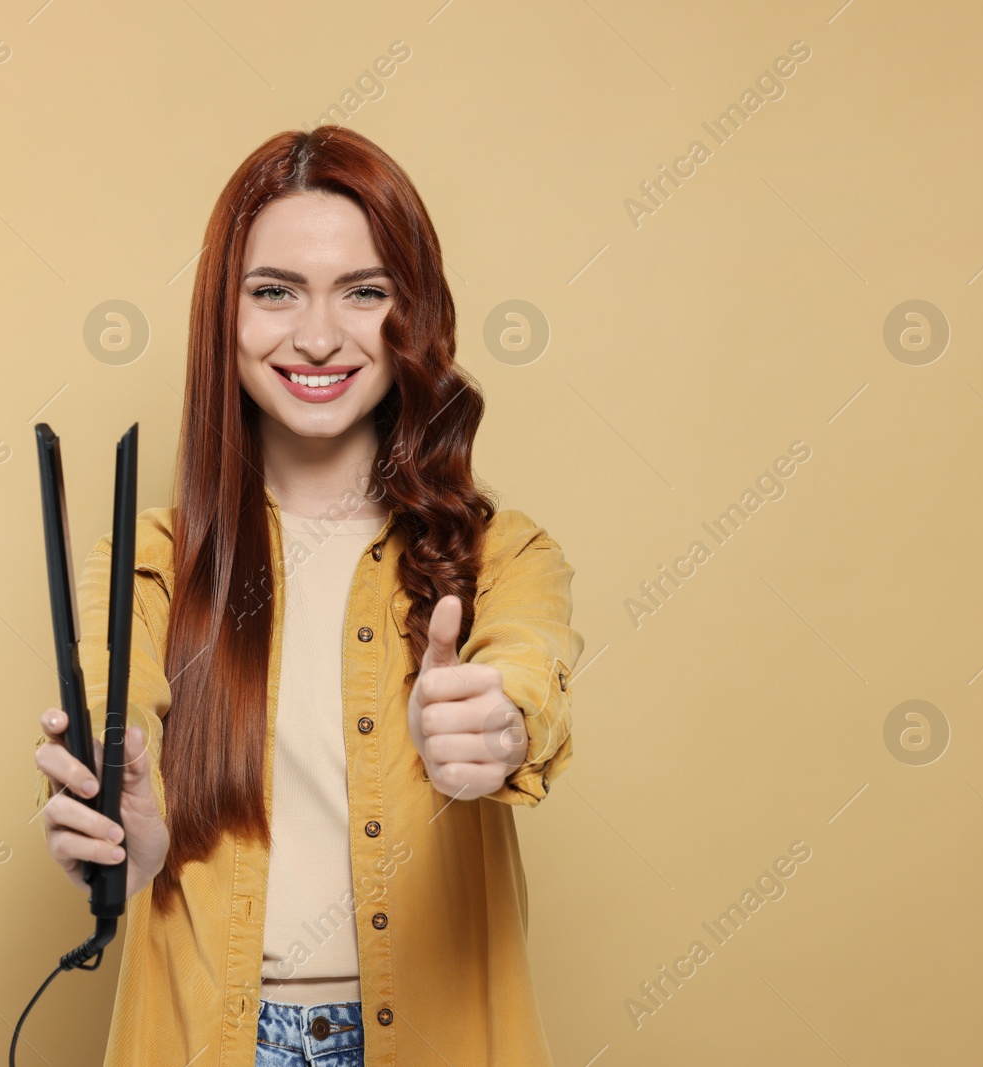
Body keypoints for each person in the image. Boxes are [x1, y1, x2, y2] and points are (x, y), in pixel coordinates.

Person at [34, 126, 585, 1067]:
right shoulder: (150, 559)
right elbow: (112, 690)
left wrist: (498, 725)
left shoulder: (504, 553)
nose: (319, 336)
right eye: (274, 292)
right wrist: (119, 812)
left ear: (415, 314)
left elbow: (529, 665)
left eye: (365, 292)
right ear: (224, 317)